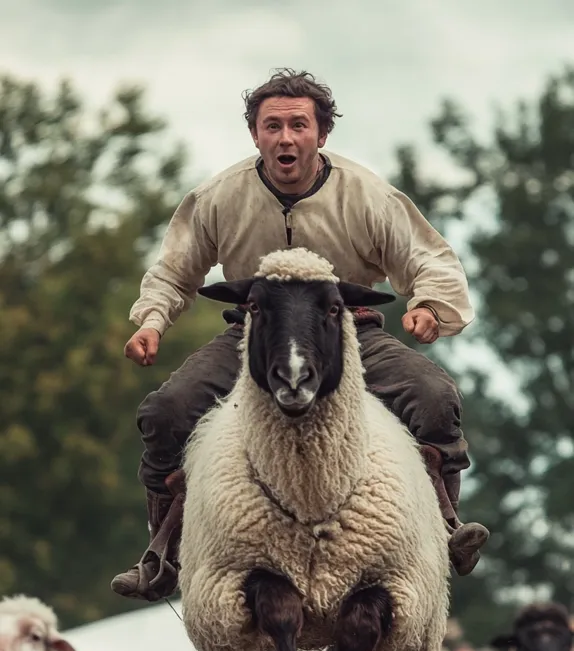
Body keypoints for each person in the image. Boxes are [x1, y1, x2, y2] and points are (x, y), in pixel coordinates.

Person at [111, 68, 489, 602]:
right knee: (165, 413)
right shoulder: (219, 196)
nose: (285, 138)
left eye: (298, 125)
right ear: (255, 134)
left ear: (321, 134)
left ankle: (447, 529)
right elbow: (175, 271)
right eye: (272, 126)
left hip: (348, 332)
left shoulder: (369, 195)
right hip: (255, 332)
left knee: (435, 396)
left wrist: (429, 305)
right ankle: (162, 554)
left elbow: (429, 259)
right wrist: (151, 321)